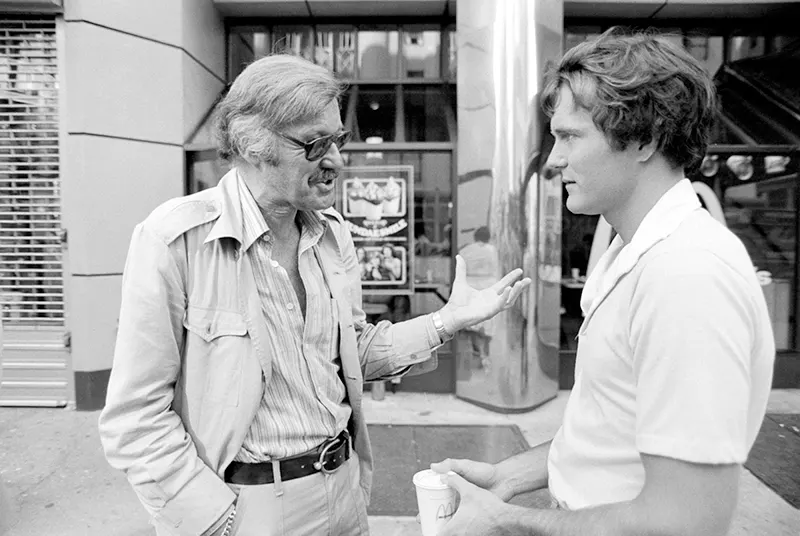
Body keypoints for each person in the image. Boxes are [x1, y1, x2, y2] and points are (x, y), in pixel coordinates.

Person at [97, 54, 530, 536]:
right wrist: (213, 520)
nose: (336, 160)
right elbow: (134, 418)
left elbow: (349, 354)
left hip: (344, 493)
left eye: (338, 140)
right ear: (253, 144)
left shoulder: (333, 236)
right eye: (315, 143)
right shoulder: (174, 241)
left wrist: (447, 320)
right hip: (243, 510)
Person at [432, 28, 775, 536]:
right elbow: (612, 431)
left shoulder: (686, 275)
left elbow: (686, 519)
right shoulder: (631, 252)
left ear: (644, 140)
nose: (553, 159)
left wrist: (503, 522)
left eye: (570, 136)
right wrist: (507, 477)